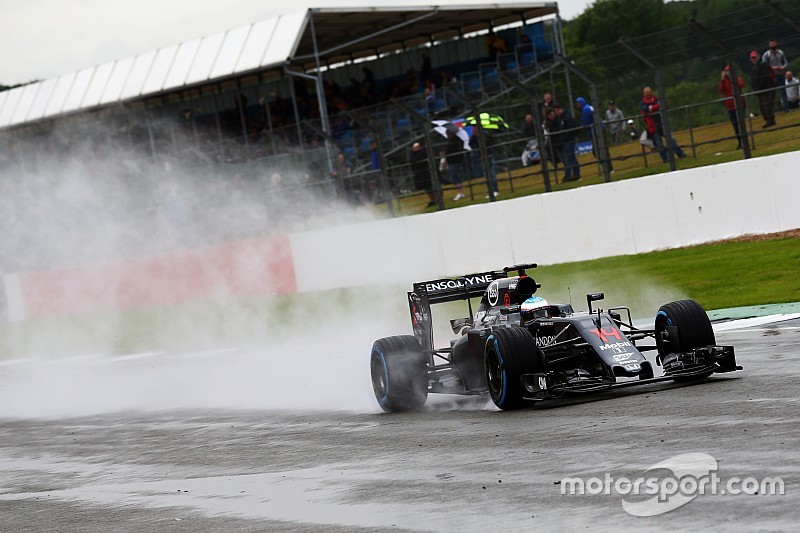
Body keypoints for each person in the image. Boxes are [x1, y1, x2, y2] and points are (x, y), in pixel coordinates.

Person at [640, 86, 686, 163]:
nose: (648, 94)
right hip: (653, 127)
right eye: (646, 93)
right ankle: (666, 159)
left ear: (651, 92)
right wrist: (657, 107)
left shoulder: (656, 99)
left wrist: (653, 108)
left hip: (663, 124)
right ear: (644, 94)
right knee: (659, 145)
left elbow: (665, 105)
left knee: (671, 140)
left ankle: (681, 155)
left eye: (649, 92)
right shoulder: (643, 103)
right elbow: (646, 109)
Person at [718, 66, 745, 149]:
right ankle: (740, 142)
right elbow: (721, 89)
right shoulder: (724, 81)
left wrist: (734, 80)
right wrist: (722, 80)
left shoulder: (737, 78)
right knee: (735, 126)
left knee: (741, 124)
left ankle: (744, 142)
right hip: (730, 106)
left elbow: (741, 85)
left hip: (739, 104)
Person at [750, 50, 776, 128]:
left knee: (766, 104)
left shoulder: (763, 65)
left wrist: (759, 87)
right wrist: (755, 88)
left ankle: (770, 120)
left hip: (764, 88)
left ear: (758, 57)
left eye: (755, 57)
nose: (754, 59)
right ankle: (767, 119)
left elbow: (764, 77)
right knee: (762, 106)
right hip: (759, 90)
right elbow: (753, 79)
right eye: (752, 58)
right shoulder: (754, 67)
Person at [762, 39, 789, 112]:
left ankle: (786, 109)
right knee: (772, 93)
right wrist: (772, 68)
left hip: (780, 74)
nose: (773, 45)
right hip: (772, 76)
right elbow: (764, 65)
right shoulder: (766, 54)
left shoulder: (780, 52)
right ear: (769, 45)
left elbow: (786, 62)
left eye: (774, 43)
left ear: (776, 44)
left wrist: (783, 67)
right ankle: (771, 110)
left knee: (783, 91)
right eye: (771, 44)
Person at [555, 104, 580, 182]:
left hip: (569, 140)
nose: (557, 112)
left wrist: (567, 136)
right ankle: (571, 175)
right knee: (569, 158)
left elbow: (571, 128)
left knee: (571, 157)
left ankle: (576, 174)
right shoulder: (562, 118)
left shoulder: (567, 117)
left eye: (558, 110)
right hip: (565, 141)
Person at [409, 142, 436, 207]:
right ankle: (432, 200)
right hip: (419, 173)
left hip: (426, 172)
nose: (415, 149)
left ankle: (436, 199)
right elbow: (412, 160)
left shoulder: (423, 152)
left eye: (417, 147)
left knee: (431, 186)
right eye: (414, 148)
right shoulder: (412, 154)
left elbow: (417, 158)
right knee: (426, 188)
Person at [444, 130, 467, 200]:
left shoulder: (456, 142)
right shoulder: (450, 142)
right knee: (454, 176)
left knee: (455, 176)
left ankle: (460, 192)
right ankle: (460, 192)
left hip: (455, 161)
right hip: (452, 161)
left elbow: (453, 150)